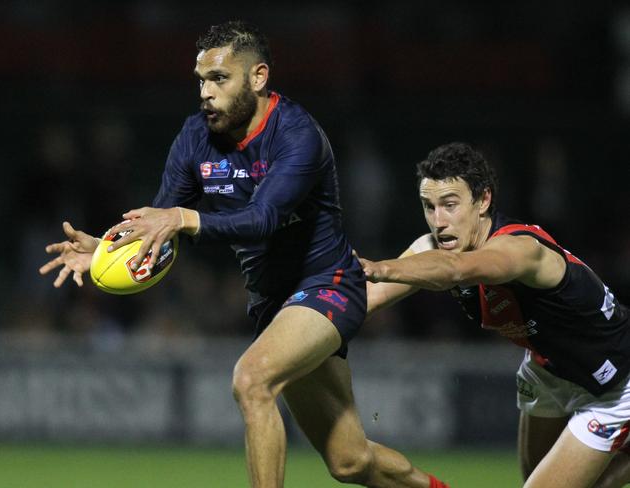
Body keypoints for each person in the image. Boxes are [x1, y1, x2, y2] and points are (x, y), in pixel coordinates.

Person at [39, 20, 449, 488]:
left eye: (219, 79)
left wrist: (183, 219)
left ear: (258, 77)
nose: (205, 93)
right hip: (274, 305)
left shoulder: (297, 134)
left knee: (252, 381)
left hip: (326, 285)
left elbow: (263, 218)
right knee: (350, 461)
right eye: (200, 80)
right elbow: (161, 219)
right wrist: (106, 247)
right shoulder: (194, 138)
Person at [360, 142, 630, 488]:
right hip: (549, 369)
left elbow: (457, 270)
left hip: (615, 381)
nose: (439, 221)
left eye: (450, 205)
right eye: (429, 207)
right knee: (532, 477)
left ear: (483, 200)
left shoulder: (520, 249)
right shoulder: (434, 248)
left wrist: (381, 266)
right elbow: (369, 299)